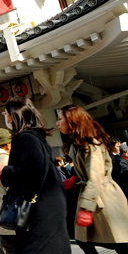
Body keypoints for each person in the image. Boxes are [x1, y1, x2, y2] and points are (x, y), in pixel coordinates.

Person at [0, 97, 71, 254]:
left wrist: (5, 171)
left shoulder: (25, 138)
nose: (6, 118)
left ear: (15, 115)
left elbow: (33, 171)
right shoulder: (36, 136)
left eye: (6, 113)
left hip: (38, 209)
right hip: (49, 204)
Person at [57, 105, 128, 254]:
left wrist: (85, 208)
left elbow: (95, 176)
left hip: (104, 198)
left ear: (72, 120)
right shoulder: (78, 143)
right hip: (93, 197)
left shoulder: (91, 143)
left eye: (60, 119)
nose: (57, 123)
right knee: (85, 241)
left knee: (119, 242)